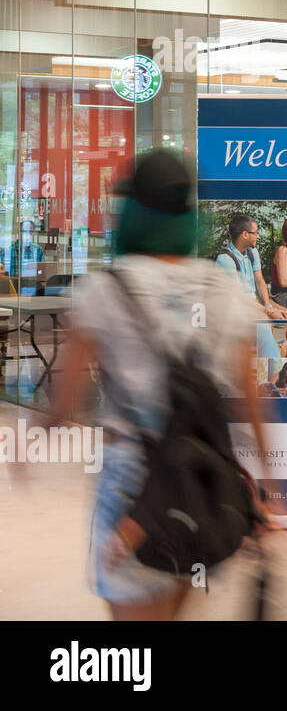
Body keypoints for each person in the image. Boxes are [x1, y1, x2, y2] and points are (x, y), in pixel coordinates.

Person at [42, 150, 274, 620]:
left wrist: (40, 433)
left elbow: (65, 401)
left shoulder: (104, 291)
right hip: (202, 486)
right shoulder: (219, 287)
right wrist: (270, 483)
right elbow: (250, 399)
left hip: (134, 492)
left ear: (132, 212)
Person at [216, 215, 287, 321]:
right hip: (237, 307)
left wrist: (268, 305)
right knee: (268, 320)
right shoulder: (225, 259)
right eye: (256, 232)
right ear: (245, 234)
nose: (258, 236)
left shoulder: (252, 251)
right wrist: (267, 312)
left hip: (256, 302)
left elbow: (260, 280)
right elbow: (240, 297)